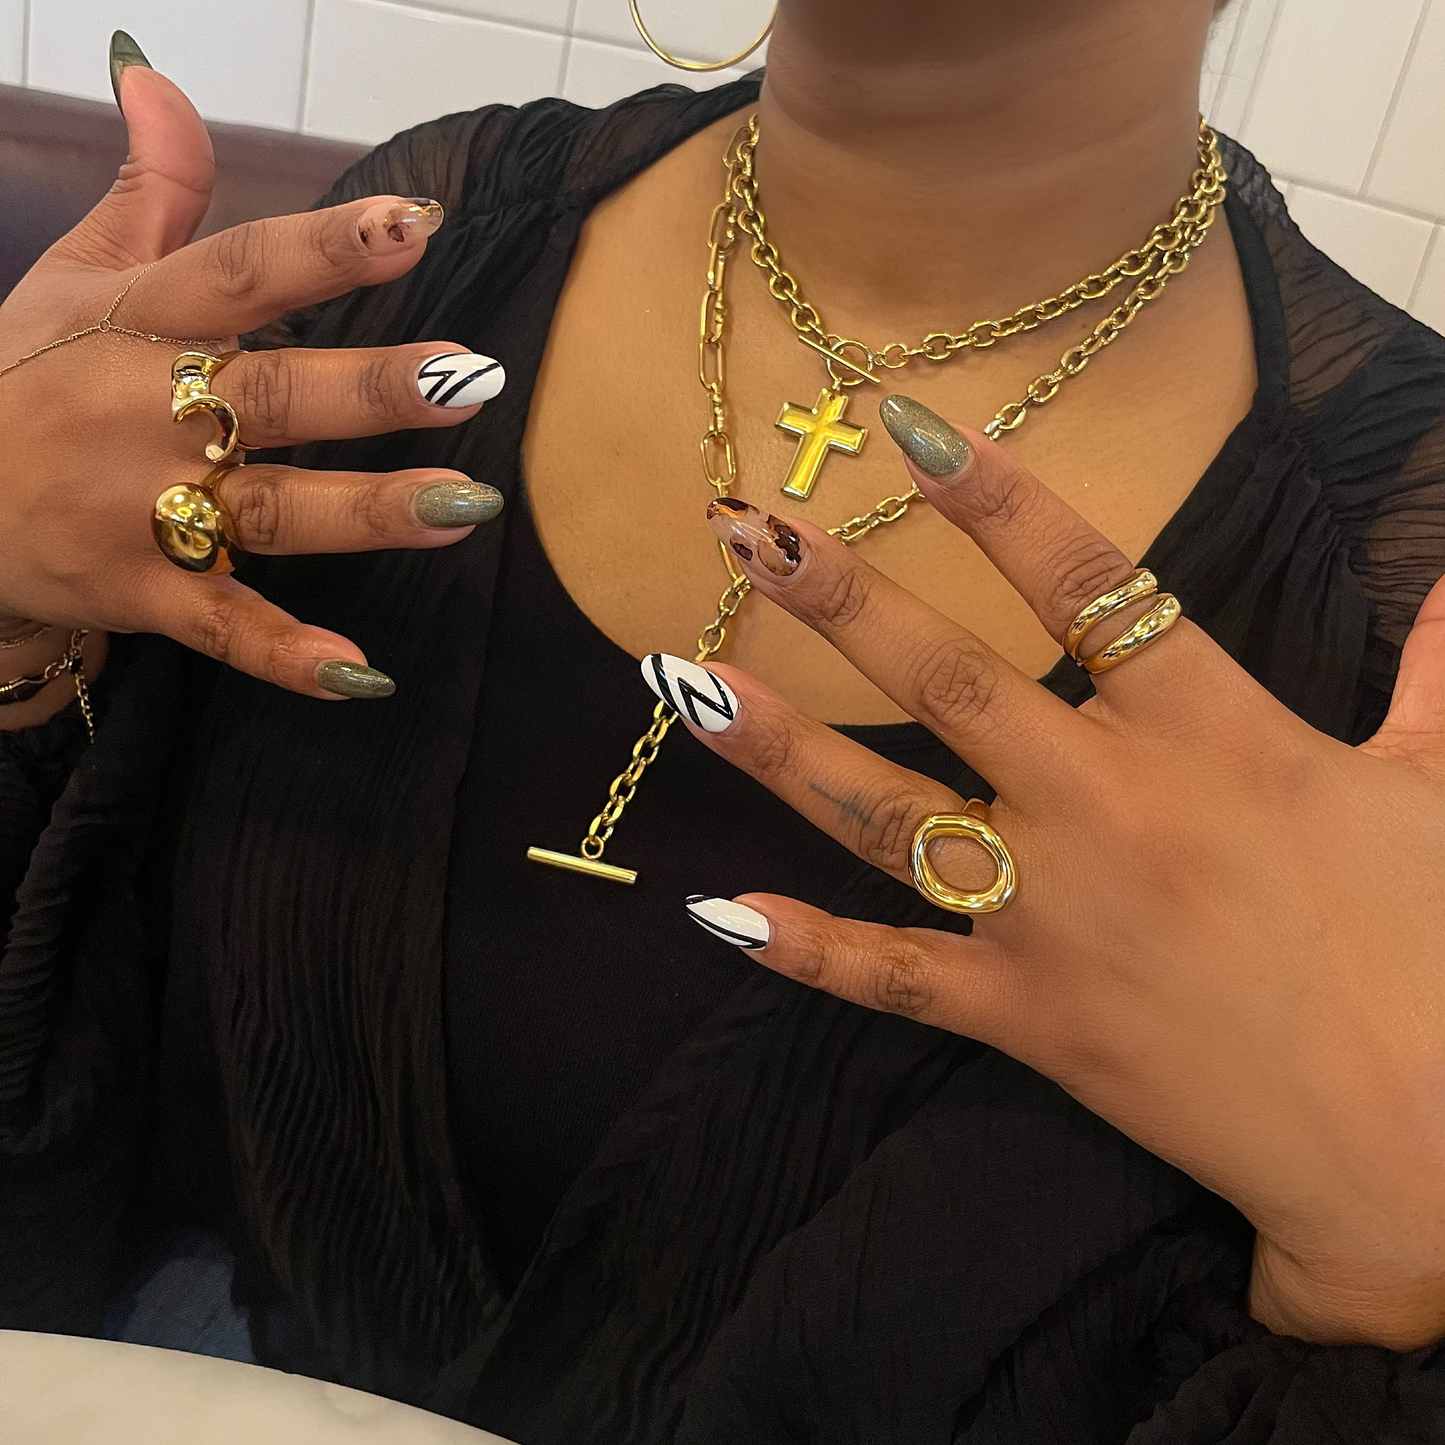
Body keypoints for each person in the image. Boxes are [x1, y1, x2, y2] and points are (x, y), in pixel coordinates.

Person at [2, 0, 1444, 1439]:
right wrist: (18, 624)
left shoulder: (1401, 571)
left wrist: (1390, 1279)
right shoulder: (436, 234)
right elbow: (91, 976)